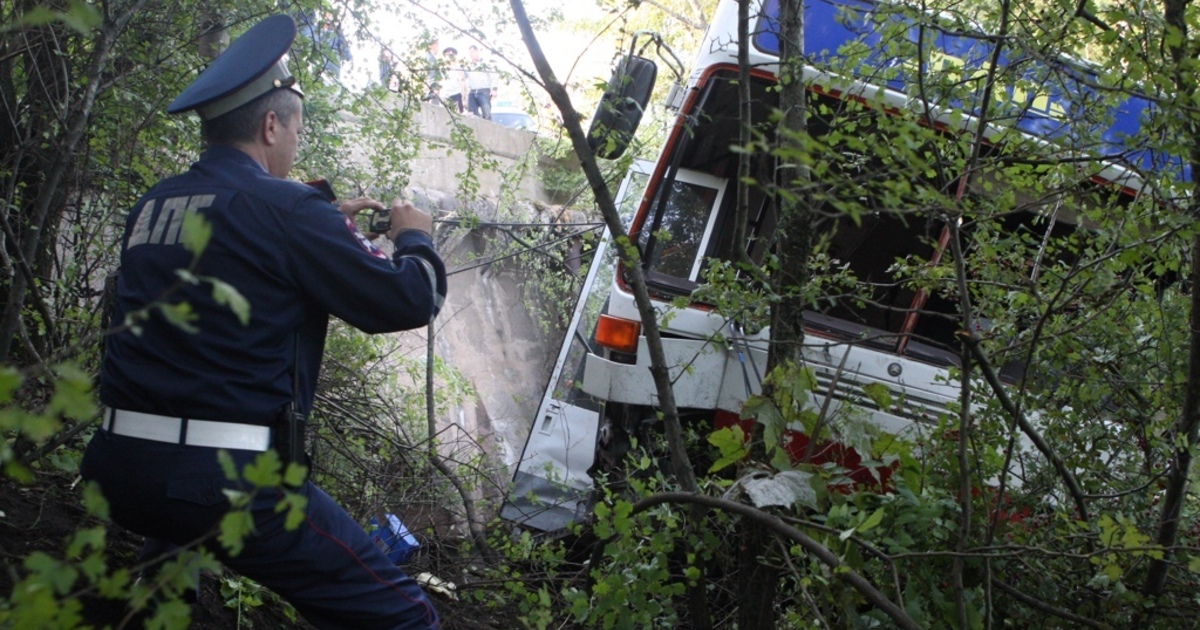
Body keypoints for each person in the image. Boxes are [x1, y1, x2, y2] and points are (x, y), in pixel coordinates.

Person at [79, 15, 445, 630]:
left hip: (119, 468)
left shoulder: (155, 204)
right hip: (228, 485)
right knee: (405, 616)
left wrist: (319, 213)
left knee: (174, 541)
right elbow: (408, 300)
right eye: (297, 129)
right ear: (272, 124)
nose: (296, 142)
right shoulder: (288, 212)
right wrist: (415, 238)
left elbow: (235, 239)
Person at [465, 45, 496, 120]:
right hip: (472, 91)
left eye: (472, 52)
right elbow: (464, 78)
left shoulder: (485, 63)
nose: (471, 54)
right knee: (472, 114)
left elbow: (493, 76)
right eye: (470, 53)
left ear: (477, 52)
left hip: (483, 91)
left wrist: (494, 89)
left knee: (486, 113)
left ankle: (488, 128)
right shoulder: (468, 65)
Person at [441, 46, 465, 114]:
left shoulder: (458, 67)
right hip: (445, 95)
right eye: (448, 54)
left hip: (456, 94)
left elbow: (462, 80)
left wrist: (464, 96)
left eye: (452, 54)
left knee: (458, 115)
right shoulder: (441, 67)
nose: (450, 56)